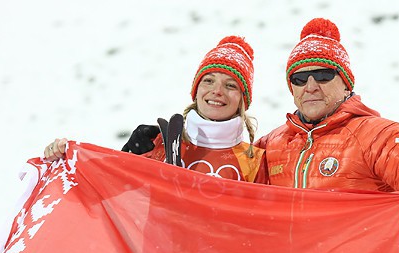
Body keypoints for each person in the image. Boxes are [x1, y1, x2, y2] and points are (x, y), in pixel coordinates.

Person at [251, 17, 399, 211]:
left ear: (345, 84)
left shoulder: (375, 135)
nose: (311, 86)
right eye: (299, 79)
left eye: (323, 75)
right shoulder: (272, 143)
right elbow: (231, 182)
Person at [44, 36, 265, 183]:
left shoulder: (256, 161)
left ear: (243, 100)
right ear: (196, 91)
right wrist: (66, 157)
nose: (217, 91)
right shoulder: (158, 144)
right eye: (208, 81)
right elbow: (103, 189)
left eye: (231, 85)